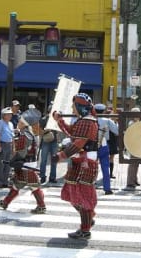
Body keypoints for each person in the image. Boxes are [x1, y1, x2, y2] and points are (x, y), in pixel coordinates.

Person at [52, 93, 99, 239]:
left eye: (74, 105)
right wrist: (60, 121)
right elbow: (71, 132)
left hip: (86, 163)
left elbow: (78, 143)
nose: (72, 108)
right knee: (72, 193)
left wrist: (61, 156)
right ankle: (88, 219)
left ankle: (85, 229)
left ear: (79, 106)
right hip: (79, 162)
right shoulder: (83, 120)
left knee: (83, 196)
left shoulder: (88, 121)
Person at [0, 108, 46, 213]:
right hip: (27, 163)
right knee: (17, 184)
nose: (18, 123)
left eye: (20, 121)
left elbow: (22, 152)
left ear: (24, 123)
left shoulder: (25, 135)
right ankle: (5, 202)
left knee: (34, 186)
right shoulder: (30, 133)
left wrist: (13, 160)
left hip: (26, 164)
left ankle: (41, 206)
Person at [94, 103, 119, 195]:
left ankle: (90, 185)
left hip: (92, 145)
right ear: (104, 111)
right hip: (104, 144)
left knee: (92, 166)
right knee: (105, 167)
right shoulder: (107, 120)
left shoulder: (91, 119)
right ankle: (107, 188)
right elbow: (116, 131)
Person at [0, 107, 14, 188]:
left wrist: (13, 147)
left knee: (8, 165)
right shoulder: (0, 122)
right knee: (1, 164)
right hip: (2, 144)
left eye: (10, 114)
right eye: (8, 114)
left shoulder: (11, 124)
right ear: (4, 115)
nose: (10, 116)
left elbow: (12, 136)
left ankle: (5, 182)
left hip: (9, 144)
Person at [39, 104, 58, 185]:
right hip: (46, 141)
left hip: (54, 141)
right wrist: (47, 130)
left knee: (54, 160)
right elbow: (39, 132)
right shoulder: (43, 119)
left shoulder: (56, 120)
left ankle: (52, 177)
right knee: (43, 160)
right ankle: (42, 176)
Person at [125, 107, 141, 191]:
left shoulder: (137, 122)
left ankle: (134, 179)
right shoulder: (131, 123)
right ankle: (130, 181)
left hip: (138, 145)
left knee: (136, 163)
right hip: (133, 145)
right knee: (133, 163)